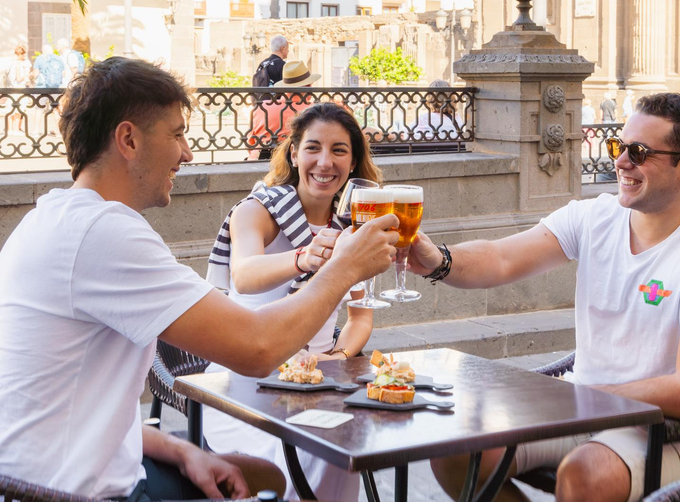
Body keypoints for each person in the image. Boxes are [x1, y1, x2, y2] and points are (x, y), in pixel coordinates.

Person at [0, 57, 399, 501]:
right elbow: (257, 349)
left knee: (265, 476)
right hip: (69, 493)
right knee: (279, 476)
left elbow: (66, 403)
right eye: (176, 134)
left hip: (45, 475)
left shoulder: (56, 218)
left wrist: (176, 447)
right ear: (128, 139)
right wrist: (345, 266)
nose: (187, 152)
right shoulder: (103, 233)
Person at [411, 93, 680, 502]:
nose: (622, 162)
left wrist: (588, 398)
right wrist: (438, 260)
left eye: (639, 152)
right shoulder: (595, 217)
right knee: (456, 450)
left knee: (584, 476)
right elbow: (502, 258)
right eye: (618, 146)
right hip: (589, 407)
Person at [206, 102, 381, 501]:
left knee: (344, 441)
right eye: (313, 148)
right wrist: (303, 257)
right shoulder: (259, 210)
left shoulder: (353, 225)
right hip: (249, 375)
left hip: (318, 381)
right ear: (294, 154)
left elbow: (361, 317)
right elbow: (244, 275)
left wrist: (336, 356)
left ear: (353, 162)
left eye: (339, 150)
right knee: (314, 446)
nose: (325, 161)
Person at [246, 60, 320, 160]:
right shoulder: (315, 111)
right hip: (298, 161)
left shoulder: (262, 107)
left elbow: (250, 142)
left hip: (261, 160)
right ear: (308, 87)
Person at [7, 45, 32, 135]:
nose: (24, 56)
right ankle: (16, 129)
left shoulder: (12, 63)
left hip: (12, 88)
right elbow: (18, 79)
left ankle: (10, 129)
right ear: (20, 54)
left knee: (11, 109)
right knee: (18, 109)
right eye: (23, 54)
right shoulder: (18, 64)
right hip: (18, 88)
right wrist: (27, 75)